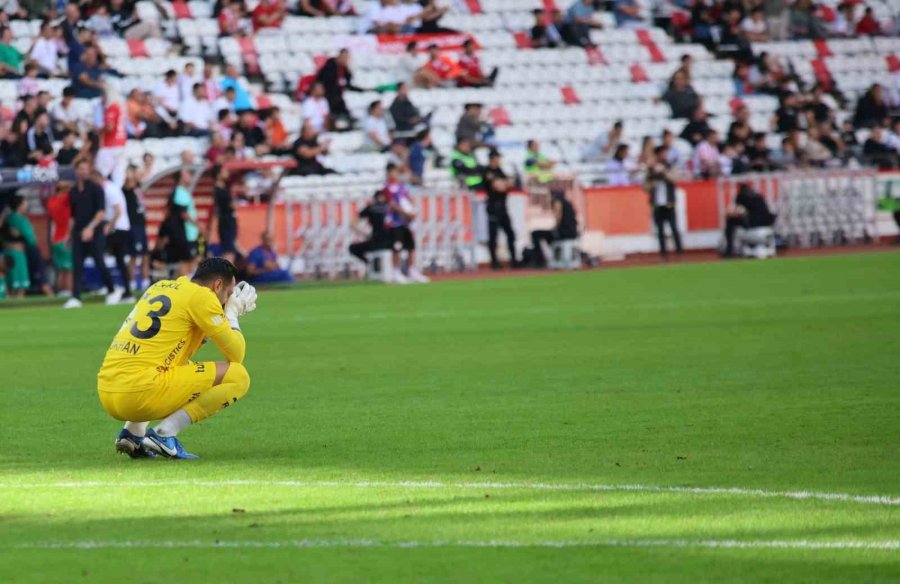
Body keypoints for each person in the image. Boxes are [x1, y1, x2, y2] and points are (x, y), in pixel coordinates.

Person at [97, 257, 257, 459]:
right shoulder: (203, 297)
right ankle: (164, 434)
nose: (229, 299)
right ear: (217, 285)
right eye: (229, 293)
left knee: (176, 365)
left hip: (108, 390)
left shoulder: (161, 287)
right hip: (139, 394)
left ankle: (133, 433)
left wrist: (221, 316)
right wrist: (232, 314)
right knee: (238, 376)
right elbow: (236, 355)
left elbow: (176, 350)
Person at [65, 159, 120, 308]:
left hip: (95, 231)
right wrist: (69, 235)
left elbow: (101, 212)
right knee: (77, 264)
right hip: (78, 231)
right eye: (80, 169)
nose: (83, 171)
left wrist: (90, 228)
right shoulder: (73, 191)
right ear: (76, 171)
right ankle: (76, 297)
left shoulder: (96, 188)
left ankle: (112, 290)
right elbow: (73, 216)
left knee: (99, 261)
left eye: (85, 168)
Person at [384, 162, 429, 284]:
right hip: (395, 222)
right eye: (393, 172)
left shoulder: (402, 186)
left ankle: (412, 270)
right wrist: (405, 213)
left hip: (406, 222)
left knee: (410, 246)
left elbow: (407, 200)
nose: (395, 174)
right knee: (397, 247)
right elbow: (391, 204)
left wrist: (412, 211)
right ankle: (396, 271)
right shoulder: (387, 187)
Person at [96, 170, 133, 302]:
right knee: (118, 260)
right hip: (119, 227)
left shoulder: (109, 189)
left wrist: (109, 226)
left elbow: (118, 210)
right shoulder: (110, 187)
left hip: (117, 228)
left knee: (108, 257)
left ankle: (118, 288)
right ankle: (123, 289)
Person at [7, 193, 52, 297]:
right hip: (26, 252)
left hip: (14, 252)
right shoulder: (20, 220)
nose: (27, 205)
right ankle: (52, 296)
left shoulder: (9, 218)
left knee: (14, 281)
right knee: (32, 278)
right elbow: (31, 239)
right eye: (24, 203)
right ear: (19, 206)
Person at [482, 150, 517, 269]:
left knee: (510, 233)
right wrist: (505, 183)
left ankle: (514, 259)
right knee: (493, 236)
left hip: (503, 206)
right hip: (493, 207)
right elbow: (499, 186)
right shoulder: (487, 171)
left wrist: (505, 183)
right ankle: (494, 262)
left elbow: (510, 183)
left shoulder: (500, 171)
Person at [646, 146, 683, 259]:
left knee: (674, 228)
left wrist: (664, 172)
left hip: (669, 203)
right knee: (660, 230)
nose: (665, 155)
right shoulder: (651, 170)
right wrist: (652, 183)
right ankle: (663, 253)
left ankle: (679, 252)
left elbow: (676, 178)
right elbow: (645, 186)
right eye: (663, 153)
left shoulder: (670, 166)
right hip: (657, 204)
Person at [723, 182, 775, 258]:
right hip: (766, 222)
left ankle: (729, 250)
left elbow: (738, 211)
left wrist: (730, 214)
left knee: (730, 221)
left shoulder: (741, 196)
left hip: (753, 222)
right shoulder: (758, 195)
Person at [529, 190, 579, 268]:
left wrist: (555, 228)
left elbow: (558, 216)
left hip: (564, 233)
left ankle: (540, 261)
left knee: (535, 234)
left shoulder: (558, 201)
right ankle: (555, 257)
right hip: (572, 233)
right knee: (549, 238)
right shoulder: (568, 204)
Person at [315, 49, 362, 125]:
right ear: (340, 56)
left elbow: (348, 82)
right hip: (328, 96)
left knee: (344, 111)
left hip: (338, 96)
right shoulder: (330, 65)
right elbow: (324, 81)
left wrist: (349, 71)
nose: (346, 60)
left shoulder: (343, 68)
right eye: (345, 57)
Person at [122, 165, 149, 290]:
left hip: (141, 225)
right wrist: (131, 173)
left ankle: (145, 281)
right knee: (134, 255)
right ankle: (131, 282)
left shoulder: (138, 188)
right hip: (133, 226)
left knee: (145, 255)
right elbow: (128, 181)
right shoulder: (126, 189)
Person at [96, 82, 128, 186]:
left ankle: (101, 194)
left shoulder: (111, 107)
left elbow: (110, 127)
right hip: (121, 144)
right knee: (118, 177)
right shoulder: (121, 107)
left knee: (100, 175)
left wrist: (98, 130)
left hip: (109, 145)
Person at [349, 189, 392, 265]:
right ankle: (373, 265)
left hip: (376, 241)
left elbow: (352, 223)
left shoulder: (371, 208)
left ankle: (370, 264)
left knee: (353, 248)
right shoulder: (390, 207)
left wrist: (365, 234)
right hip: (389, 241)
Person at [46, 184, 73, 296]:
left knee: (61, 269)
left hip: (55, 239)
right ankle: (69, 292)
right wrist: (68, 235)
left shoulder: (51, 201)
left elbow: (52, 221)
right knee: (69, 269)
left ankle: (62, 292)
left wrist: (52, 239)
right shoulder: (66, 198)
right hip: (65, 238)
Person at [172, 169, 200, 275]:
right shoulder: (179, 192)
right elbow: (183, 213)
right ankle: (181, 282)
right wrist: (198, 225)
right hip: (186, 233)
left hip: (191, 232)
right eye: (186, 173)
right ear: (180, 178)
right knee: (186, 262)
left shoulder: (184, 191)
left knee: (193, 259)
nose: (190, 175)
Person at [212, 166, 238, 262]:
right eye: (224, 171)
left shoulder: (223, 188)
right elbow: (232, 205)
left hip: (226, 220)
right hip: (227, 221)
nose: (227, 173)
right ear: (218, 174)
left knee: (229, 248)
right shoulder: (220, 190)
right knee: (229, 250)